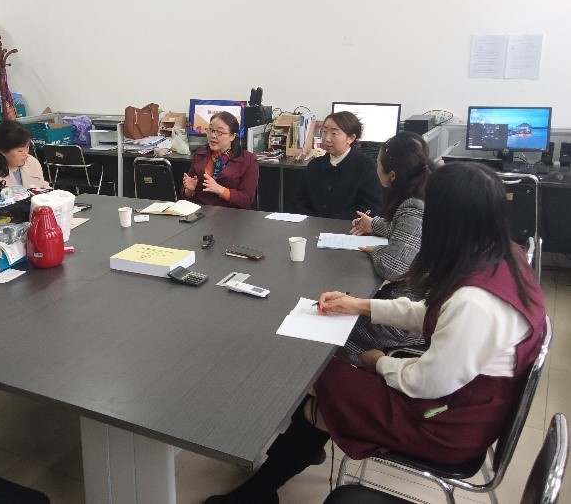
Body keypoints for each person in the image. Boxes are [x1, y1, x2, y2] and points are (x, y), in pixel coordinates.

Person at [206, 161, 546, 504]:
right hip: (459, 403)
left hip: (445, 425)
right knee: (325, 381)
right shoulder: (501, 257)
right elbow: (435, 314)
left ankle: (262, 487)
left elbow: (425, 383)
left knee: (319, 375)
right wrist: (359, 305)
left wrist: (377, 362)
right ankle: (284, 465)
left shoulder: (475, 303)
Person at [341, 131, 433, 362]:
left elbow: (393, 267)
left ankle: (364, 365)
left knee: (338, 322)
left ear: (392, 175)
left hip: (411, 317)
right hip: (419, 304)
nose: (376, 167)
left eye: (378, 163)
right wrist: (373, 224)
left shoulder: (414, 206)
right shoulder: (423, 193)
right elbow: (402, 230)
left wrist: (376, 250)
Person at [292, 111, 383, 219]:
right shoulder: (314, 165)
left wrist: (334, 222)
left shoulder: (365, 166)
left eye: (334, 133)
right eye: (324, 131)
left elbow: (370, 208)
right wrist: (313, 221)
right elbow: (299, 202)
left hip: (348, 227)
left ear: (351, 138)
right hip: (312, 225)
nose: (327, 138)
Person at [182, 112, 259, 210]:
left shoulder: (248, 160)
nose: (213, 135)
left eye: (219, 132)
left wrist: (220, 190)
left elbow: (247, 200)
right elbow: (187, 194)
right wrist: (189, 190)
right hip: (201, 212)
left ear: (232, 136)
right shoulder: (200, 154)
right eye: (211, 130)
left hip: (231, 214)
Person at [0, 120, 49, 193]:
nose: (26, 153)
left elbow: (43, 186)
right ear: (3, 150)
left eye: (27, 147)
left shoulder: (31, 162)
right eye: (20, 151)